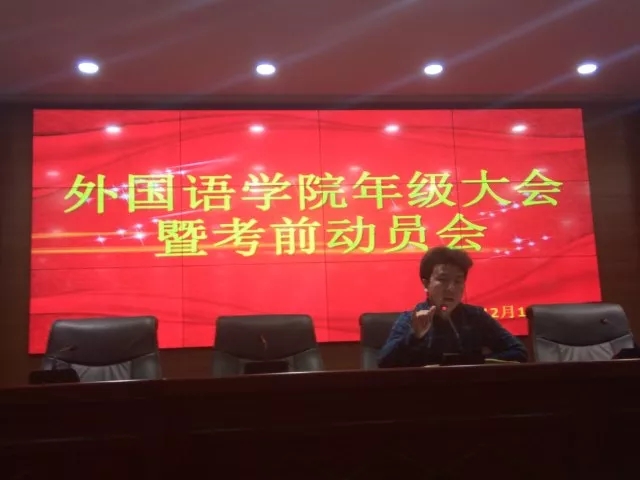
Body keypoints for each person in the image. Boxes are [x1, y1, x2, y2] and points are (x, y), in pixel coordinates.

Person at [378, 246, 528, 368]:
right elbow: (384, 363)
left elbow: (519, 352)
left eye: (458, 281)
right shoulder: (412, 319)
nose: (451, 288)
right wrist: (414, 337)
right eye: (443, 280)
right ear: (426, 283)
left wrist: (477, 362)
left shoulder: (476, 317)